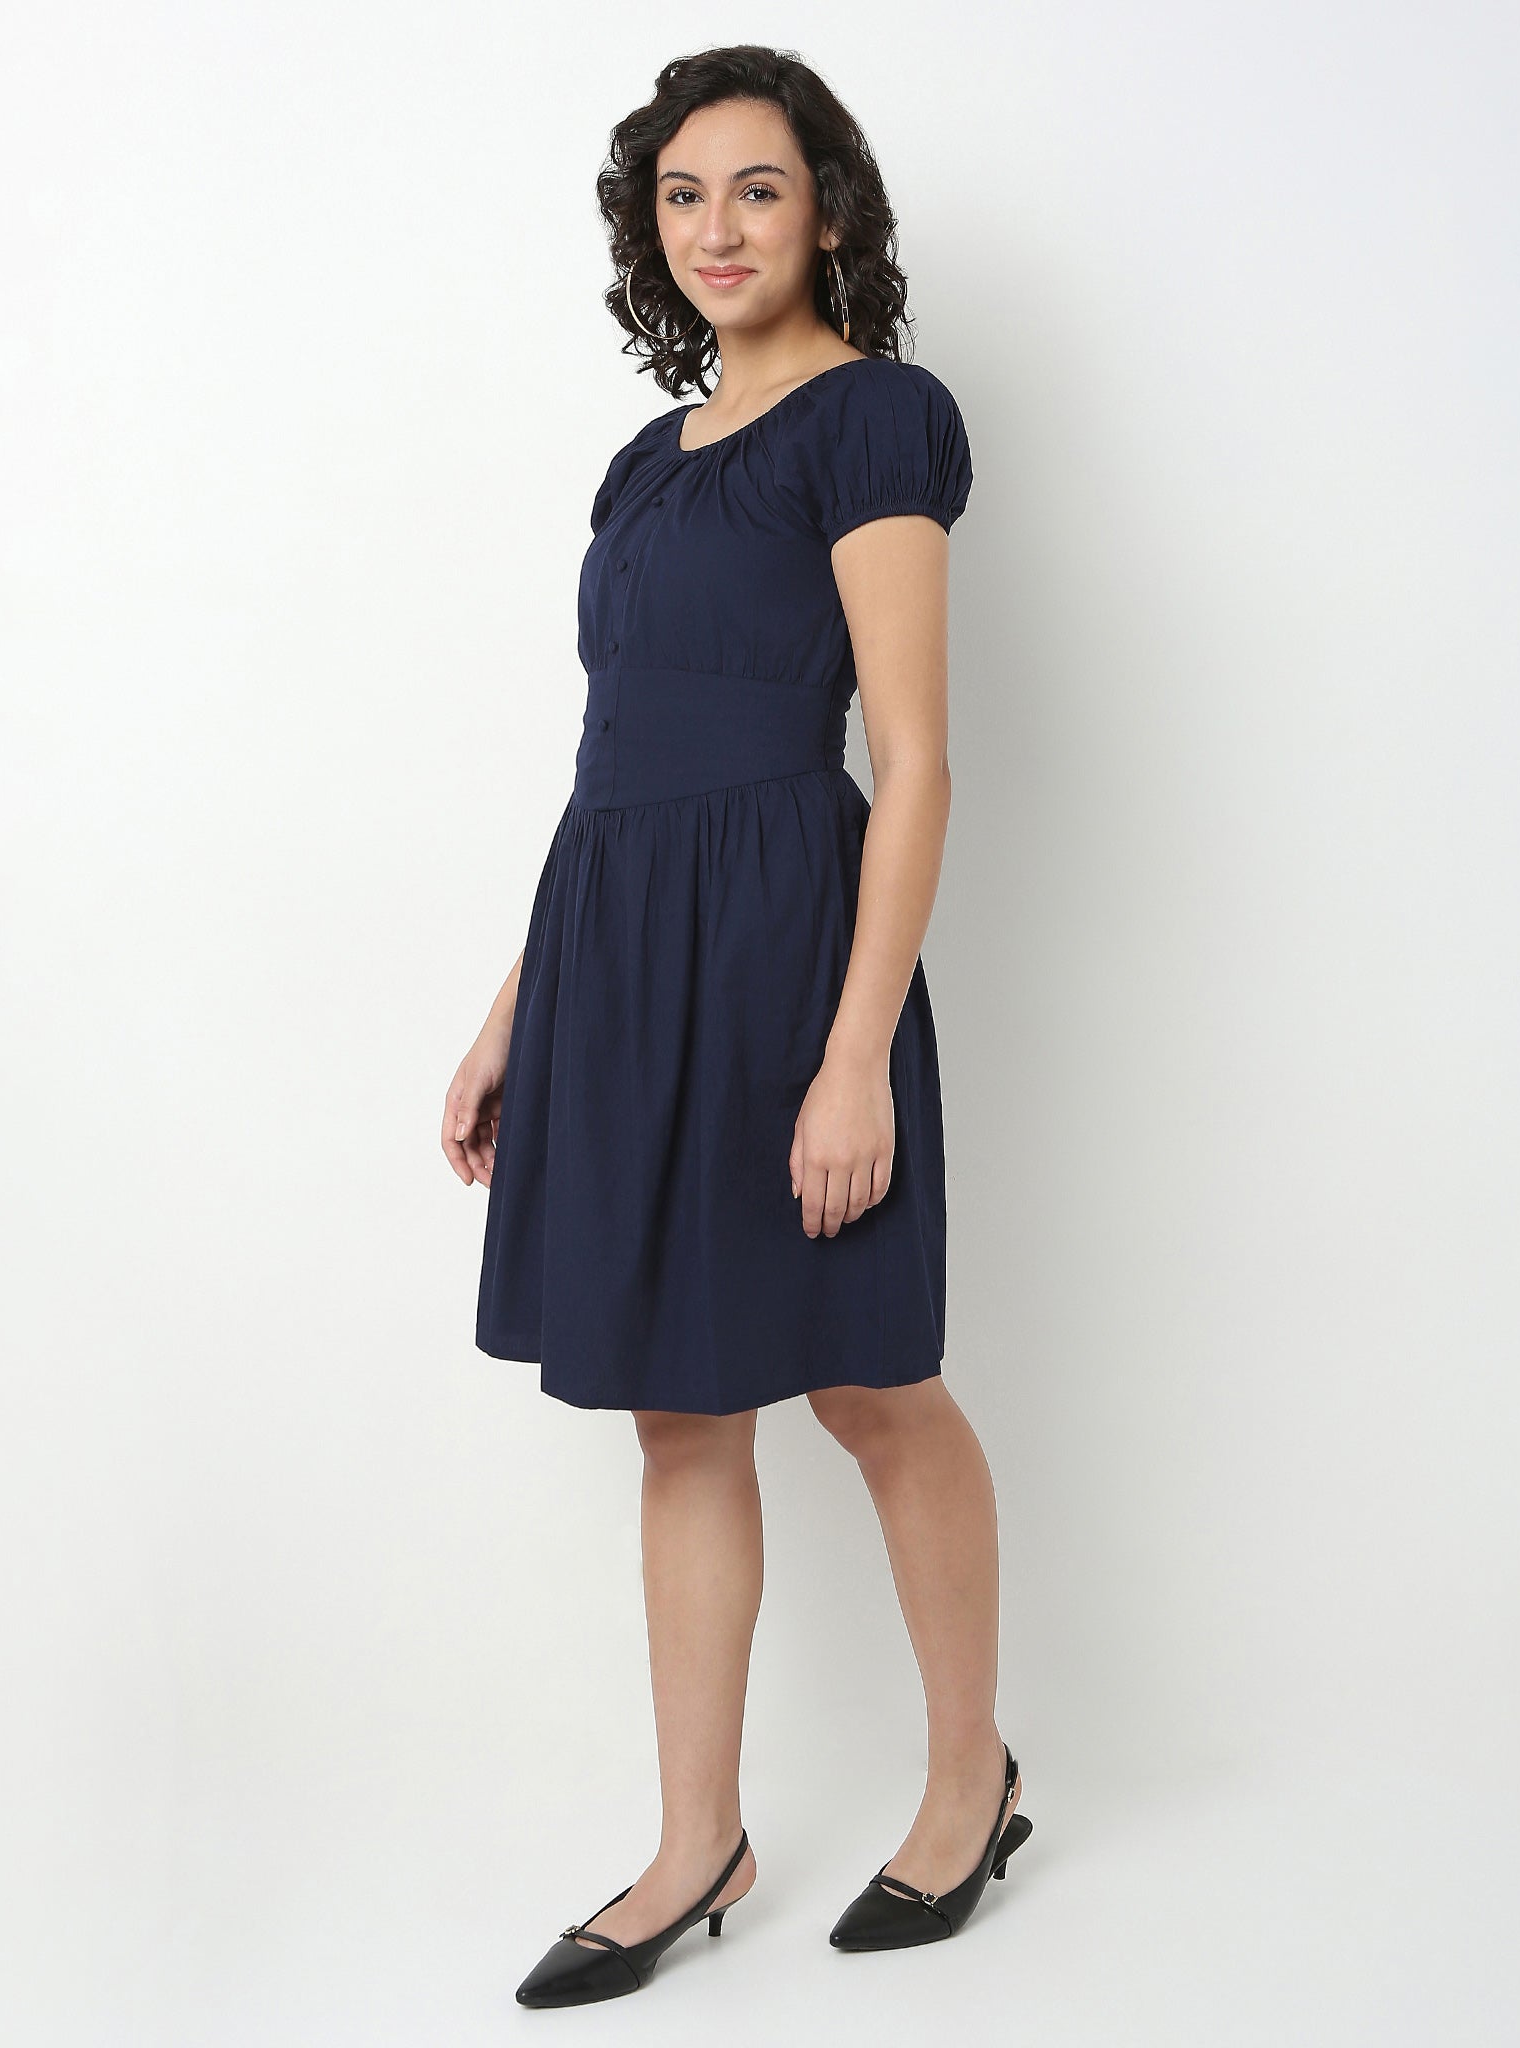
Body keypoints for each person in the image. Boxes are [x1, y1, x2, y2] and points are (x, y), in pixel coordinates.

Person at [440, 46, 1030, 2008]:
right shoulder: (647, 462)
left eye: (757, 189)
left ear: (827, 211)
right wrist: (517, 1009)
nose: (717, 228)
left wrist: (855, 1053)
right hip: (620, 952)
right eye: (681, 195)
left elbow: (916, 757)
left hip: (787, 948)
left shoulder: (874, 421)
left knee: (868, 1381)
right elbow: (609, 764)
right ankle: (699, 1843)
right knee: (677, 1412)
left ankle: (967, 1783)